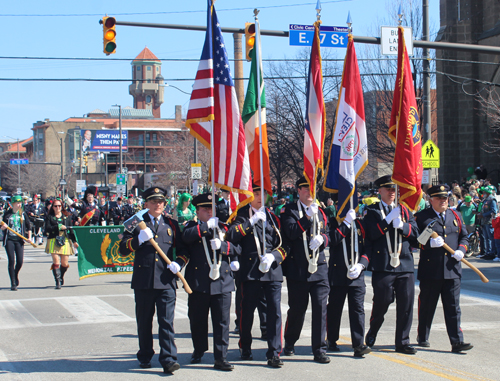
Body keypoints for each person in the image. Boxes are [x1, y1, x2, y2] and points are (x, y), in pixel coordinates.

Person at [119, 186, 187, 374]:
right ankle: (145, 355)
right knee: (144, 321)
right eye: (153, 201)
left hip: (166, 280)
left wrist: (178, 264)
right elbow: (122, 249)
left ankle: (169, 359)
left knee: (166, 322)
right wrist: (137, 240)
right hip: (144, 280)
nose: (158, 204)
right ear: (146, 203)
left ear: (165, 204)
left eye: (161, 201)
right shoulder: (135, 223)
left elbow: (183, 251)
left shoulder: (171, 224)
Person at [226, 184, 287, 368]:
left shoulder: (274, 217)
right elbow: (231, 235)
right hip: (250, 270)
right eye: (256, 193)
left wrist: (274, 256)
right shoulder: (242, 215)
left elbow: (285, 245)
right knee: (247, 312)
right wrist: (250, 223)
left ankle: (274, 352)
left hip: (272, 271)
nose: (260, 197)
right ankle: (245, 346)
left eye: (263, 193)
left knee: (274, 312)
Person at [181, 193, 241, 371]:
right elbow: (186, 237)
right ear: (197, 211)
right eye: (205, 209)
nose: (209, 212)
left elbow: (237, 247)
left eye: (211, 209)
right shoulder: (193, 226)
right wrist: (206, 227)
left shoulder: (223, 228)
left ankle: (221, 357)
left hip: (222, 280)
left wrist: (223, 247)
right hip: (199, 282)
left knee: (222, 322)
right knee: (197, 320)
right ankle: (199, 350)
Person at [363, 175, 419, 354]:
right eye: (387, 189)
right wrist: (386, 222)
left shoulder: (404, 210)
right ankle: (373, 330)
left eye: (393, 189)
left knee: (406, 304)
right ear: (379, 191)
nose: (391, 192)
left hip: (404, 264)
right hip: (383, 264)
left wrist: (402, 226)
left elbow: (416, 235)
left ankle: (402, 342)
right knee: (382, 301)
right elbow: (370, 234)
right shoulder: (372, 211)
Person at [414, 185, 473, 353]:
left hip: (452, 270)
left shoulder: (455, 215)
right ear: (431, 200)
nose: (443, 201)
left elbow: (464, 236)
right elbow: (415, 240)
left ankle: (457, 341)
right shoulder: (422, 217)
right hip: (431, 271)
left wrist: (462, 249)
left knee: (453, 307)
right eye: (439, 198)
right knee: (427, 306)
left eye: (445, 198)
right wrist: (428, 242)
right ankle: (423, 336)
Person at [281, 177, 331, 363]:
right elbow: (292, 232)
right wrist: (307, 217)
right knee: (297, 310)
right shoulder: (289, 211)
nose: (309, 192)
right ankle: (290, 341)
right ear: (298, 190)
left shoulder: (322, 211)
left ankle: (319, 349)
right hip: (298, 269)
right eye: (305, 188)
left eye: (312, 188)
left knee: (320, 310)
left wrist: (323, 240)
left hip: (319, 268)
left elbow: (328, 234)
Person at [327, 208, 371, 358]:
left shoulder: (360, 224)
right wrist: (345, 223)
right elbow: (332, 240)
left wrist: (362, 264)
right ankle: (331, 340)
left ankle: (359, 344)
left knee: (358, 309)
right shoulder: (333, 222)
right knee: (334, 309)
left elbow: (368, 247)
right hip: (338, 273)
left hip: (356, 274)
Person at [45, 199, 78, 289]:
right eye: (55, 206)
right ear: (53, 207)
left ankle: (61, 275)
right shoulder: (49, 217)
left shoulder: (66, 216)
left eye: (59, 206)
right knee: (56, 261)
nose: (57, 208)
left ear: (62, 206)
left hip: (65, 240)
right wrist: (58, 227)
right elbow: (47, 228)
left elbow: (70, 230)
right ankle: (58, 281)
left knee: (64, 263)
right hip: (53, 239)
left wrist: (74, 241)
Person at [1, 195, 31, 291]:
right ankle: (13, 282)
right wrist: (3, 227)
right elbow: (1, 228)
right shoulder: (7, 214)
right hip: (9, 240)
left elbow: (29, 226)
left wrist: (29, 238)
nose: (19, 205)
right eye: (17, 203)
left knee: (20, 261)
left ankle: (15, 273)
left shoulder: (23, 214)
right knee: (11, 261)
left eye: (20, 203)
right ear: (13, 204)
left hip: (19, 240)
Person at [476, 185, 498, 260]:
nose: (483, 192)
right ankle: (487, 252)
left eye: (485, 191)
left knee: (490, 238)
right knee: (486, 238)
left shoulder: (492, 200)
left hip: (489, 221)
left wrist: (483, 215)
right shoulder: (485, 199)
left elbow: (493, 211)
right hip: (484, 222)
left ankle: (492, 253)